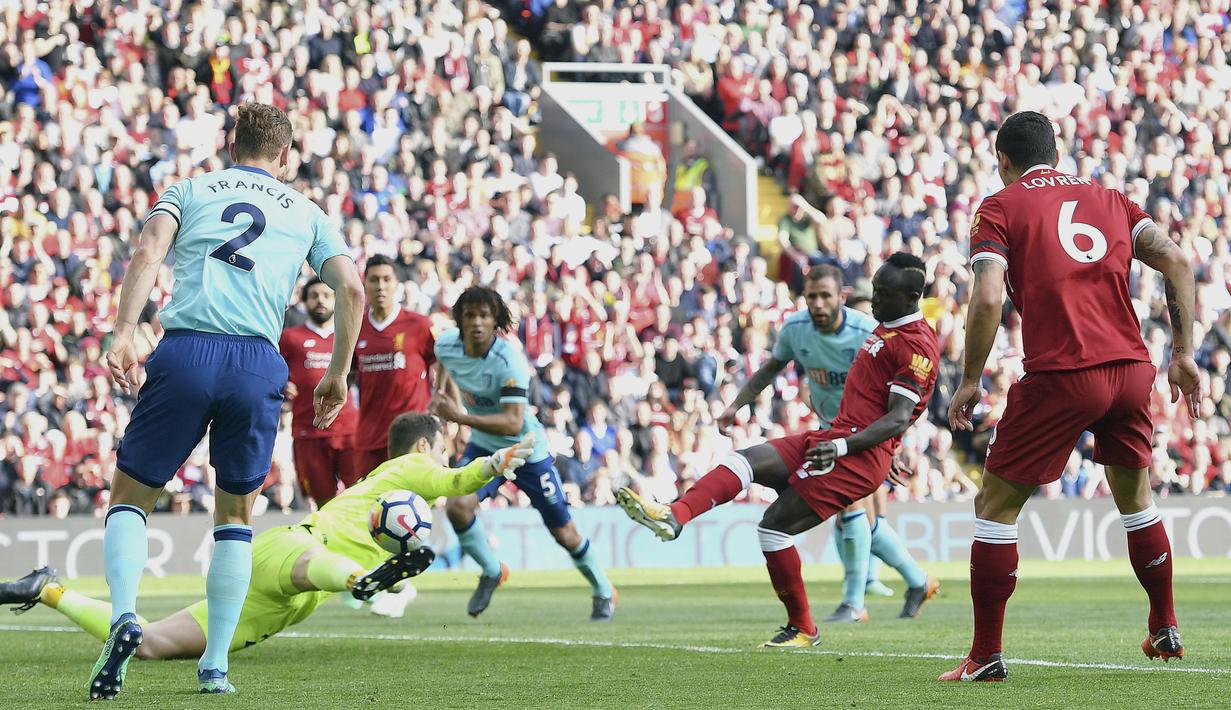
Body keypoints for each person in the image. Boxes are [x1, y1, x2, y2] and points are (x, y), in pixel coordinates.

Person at [98, 103, 364, 698]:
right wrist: (337, 373)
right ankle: (215, 665)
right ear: (286, 154)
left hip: (186, 352)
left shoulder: (190, 189)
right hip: (255, 362)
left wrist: (124, 333)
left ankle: (124, 616)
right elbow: (350, 287)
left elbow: (148, 251)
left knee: (131, 498)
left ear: (232, 144)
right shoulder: (307, 211)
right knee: (236, 517)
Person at [939, 111, 1200, 682]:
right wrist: (1183, 353)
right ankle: (1164, 623)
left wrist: (970, 377)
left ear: (1003, 160)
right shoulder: (1111, 198)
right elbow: (1178, 261)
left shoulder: (999, 207)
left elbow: (988, 297)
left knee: (995, 508)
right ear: (1055, 155)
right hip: (1130, 370)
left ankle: (985, 656)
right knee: (1136, 500)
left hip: (1062, 373)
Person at [0, 414, 533, 663]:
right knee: (320, 566)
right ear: (423, 447)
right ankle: (360, 581)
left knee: (152, 645)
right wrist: (494, 463)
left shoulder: (397, 501)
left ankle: (48, 590)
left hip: (286, 602)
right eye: (442, 451)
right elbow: (456, 482)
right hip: (297, 549)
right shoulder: (407, 469)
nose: (441, 462)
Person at [618, 253, 940, 648]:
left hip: (852, 452)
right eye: (873, 289)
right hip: (834, 436)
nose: (873, 299)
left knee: (776, 527)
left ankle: (813, 623)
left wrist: (868, 447)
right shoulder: (883, 325)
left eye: (883, 293)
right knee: (745, 459)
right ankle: (675, 515)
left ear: (911, 297)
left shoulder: (915, 345)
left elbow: (899, 416)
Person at [715, 265, 938, 623]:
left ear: (840, 298)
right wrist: (737, 404)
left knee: (852, 511)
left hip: (861, 436)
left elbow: (901, 399)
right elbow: (773, 369)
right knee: (855, 517)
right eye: (812, 296)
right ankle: (916, 580)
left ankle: (855, 603)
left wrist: (890, 443)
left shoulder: (873, 333)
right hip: (831, 431)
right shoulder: (800, 329)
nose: (818, 304)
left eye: (826, 296)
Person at [431, 286, 615, 621]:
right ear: (460, 319)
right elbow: (444, 364)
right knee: (457, 507)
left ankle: (603, 589)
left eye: (484, 315)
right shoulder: (446, 345)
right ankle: (492, 570)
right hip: (485, 447)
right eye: (469, 315)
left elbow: (513, 421)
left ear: (495, 320)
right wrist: (440, 392)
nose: (476, 322)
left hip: (526, 449)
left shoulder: (509, 360)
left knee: (563, 532)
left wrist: (458, 416)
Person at [353, 254, 437, 479]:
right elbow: (348, 373)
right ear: (365, 285)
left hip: (412, 434)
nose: (380, 286)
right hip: (371, 434)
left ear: (397, 285)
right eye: (374, 280)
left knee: (415, 496)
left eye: (386, 279)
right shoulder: (355, 327)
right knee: (369, 497)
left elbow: (441, 364)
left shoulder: (419, 324)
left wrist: (443, 404)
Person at [279, 278, 359, 506]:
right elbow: (272, 369)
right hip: (308, 431)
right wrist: (281, 383)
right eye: (314, 296)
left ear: (336, 300)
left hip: (347, 431)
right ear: (305, 302)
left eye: (326, 295)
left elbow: (360, 370)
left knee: (358, 496)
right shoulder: (290, 337)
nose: (320, 300)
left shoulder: (348, 336)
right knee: (323, 503)